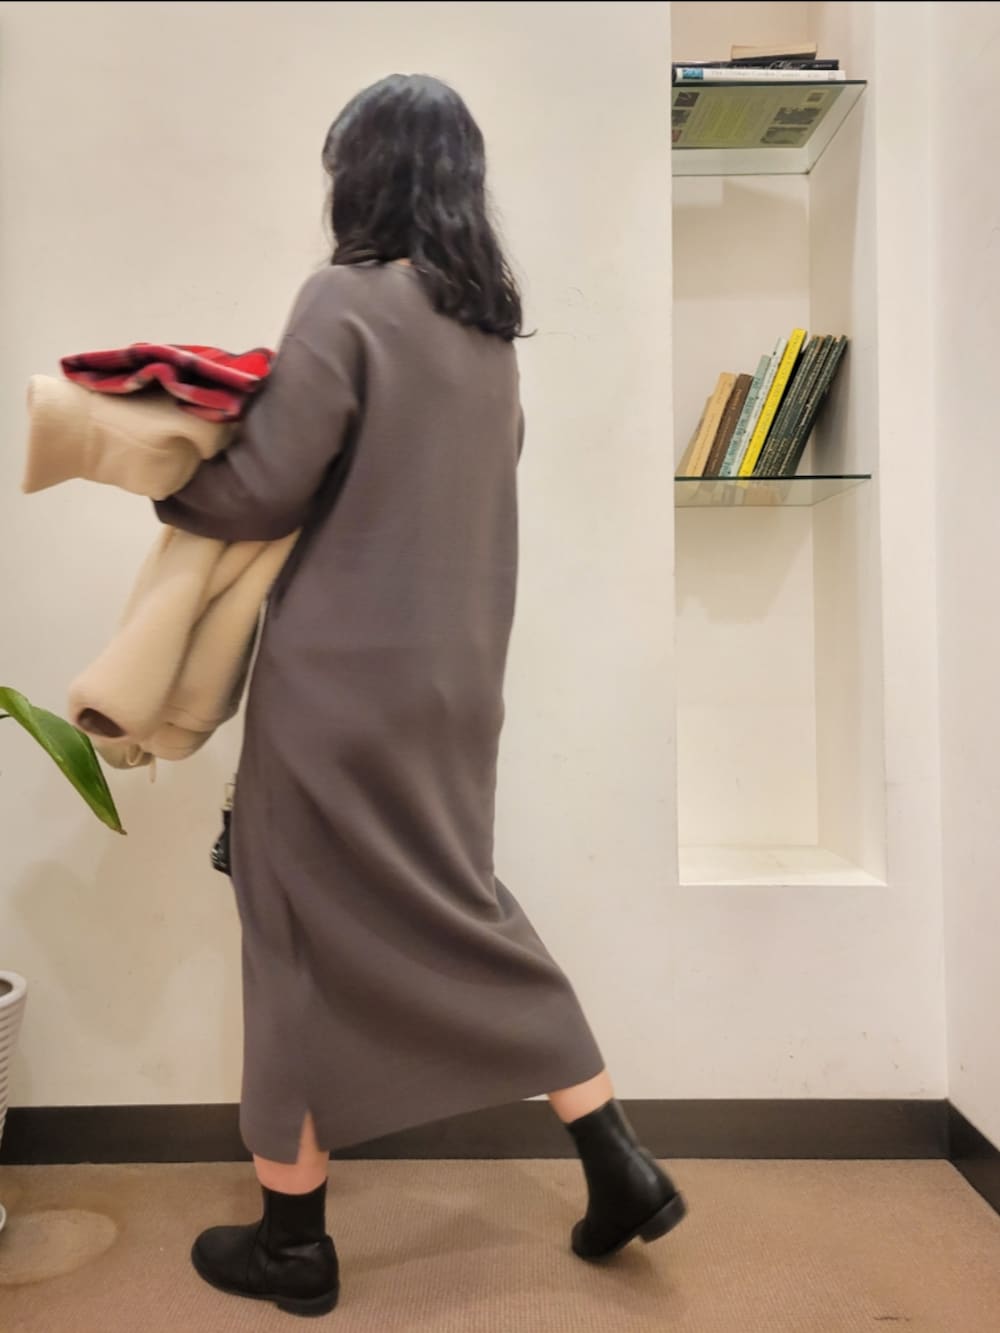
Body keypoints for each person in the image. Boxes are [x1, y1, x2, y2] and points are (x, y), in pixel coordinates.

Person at [156, 73, 686, 1318]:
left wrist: (163, 475)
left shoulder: (342, 300)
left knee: (288, 931)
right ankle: (616, 1157)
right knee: (461, 903)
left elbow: (268, 483)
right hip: (457, 685)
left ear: (362, 174)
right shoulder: (488, 335)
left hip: (336, 684)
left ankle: (294, 1245)